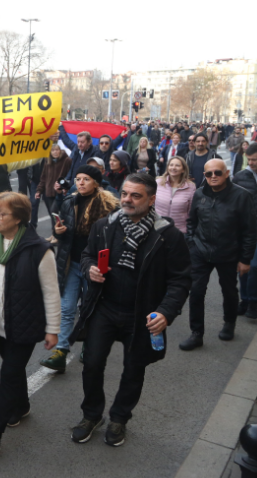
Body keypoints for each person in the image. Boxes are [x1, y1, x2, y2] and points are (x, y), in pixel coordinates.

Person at [71, 172, 191, 447]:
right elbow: (87, 255)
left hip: (143, 315)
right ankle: (91, 415)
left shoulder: (167, 235)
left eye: (136, 195)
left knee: (134, 369)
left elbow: (181, 279)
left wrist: (166, 312)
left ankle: (119, 418)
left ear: (151, 200)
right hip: (104, 307)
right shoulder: (104, 226)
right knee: (91, 363)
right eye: (125, 193)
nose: (127, 199)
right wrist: (90, 268)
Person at [0, 191, 60, 457]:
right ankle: (22, 405)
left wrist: (53, 329)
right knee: (14, 371)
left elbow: (51, 293)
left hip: (24, 327)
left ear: (18, 218)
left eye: (1, 213)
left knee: (8, 373)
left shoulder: (40, 250)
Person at [40, 165, 118, 372]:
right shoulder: (69, 201)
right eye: (78, 179)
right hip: (71, 263)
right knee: (66, 309)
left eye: (86, 179)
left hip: (94, 266)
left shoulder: (109, 206)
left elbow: (115, 239)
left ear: (96, 183)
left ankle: (88, 346)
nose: (80, 183)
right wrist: (58, 231)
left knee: (89, 309)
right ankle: (61, 352)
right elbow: (60, 236)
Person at [180, 159, 256, 350]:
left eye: (217, 173)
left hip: (229, 253)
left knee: (229, 291)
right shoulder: (199, 194)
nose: (213, 177)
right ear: (204, 176)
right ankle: (196, 333)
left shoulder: (242, 196)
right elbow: (191, 222)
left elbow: (249, 231)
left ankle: (229, 323)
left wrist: (245, 259)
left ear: (227, 173)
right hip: (200, 251)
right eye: (208, 174)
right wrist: (192, 245)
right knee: (196, 292)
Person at [235, 143, 257, 319]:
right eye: (249, 159)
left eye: (254, 159)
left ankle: (253, 301)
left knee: (255, 266)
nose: (250, 162)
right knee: (243, 267)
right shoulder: (240, 177)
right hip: (242, 232)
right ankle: (244, 300)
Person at [155, 157, 195, 234]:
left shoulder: (191, 187)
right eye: (171, 165)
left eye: (177, 165)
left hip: (179, 231)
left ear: (183, 169)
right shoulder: (158, 182)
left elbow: (191, 211)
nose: (173, 167)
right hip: (158, 228)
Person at [35, 143, 72, 225]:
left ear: (60, 151)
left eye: (57, 150)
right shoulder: (48, 162)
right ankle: (54, 233)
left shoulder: (66, 160)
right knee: (52, 214)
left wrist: (65, 187)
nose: (55, 152)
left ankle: (59, 233)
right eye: (53, 150)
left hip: (60, 192)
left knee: (55, 211)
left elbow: (70, 175)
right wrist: (39, 191)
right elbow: (43, 178)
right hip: (49, 192)